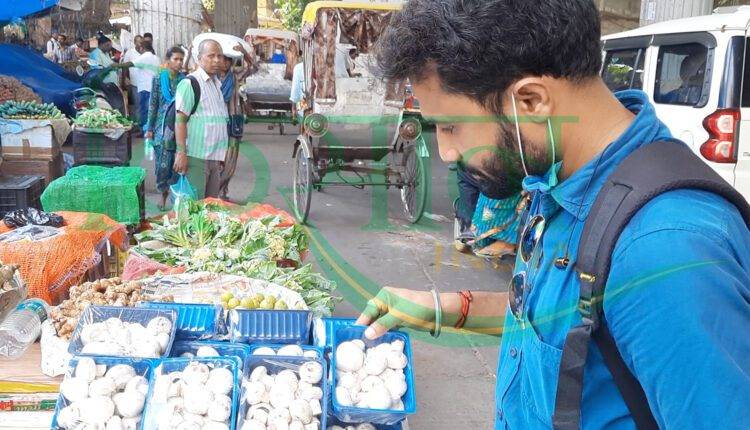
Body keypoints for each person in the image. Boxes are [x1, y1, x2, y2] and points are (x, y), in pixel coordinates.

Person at [357, 1, 750, 429]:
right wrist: (444, 307)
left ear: (532, 100)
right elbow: (565, 322)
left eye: (451, 126)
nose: (447, 151)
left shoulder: (664, 249)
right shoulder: (559, 176)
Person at [173, 39, 229, 199]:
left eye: (220, 56)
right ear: (199, 58)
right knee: (194, 207)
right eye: (211, 56)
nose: (217, 60)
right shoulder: (190, 83)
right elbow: (180, 120)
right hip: (196, 157)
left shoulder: (216, 84)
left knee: (209, 208)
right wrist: (181, 152)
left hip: (213, 157)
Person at [145, 46, 186, 209]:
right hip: (161, 129)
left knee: (177, 166)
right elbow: (153, 104)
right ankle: (163, 193)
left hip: (179, 128)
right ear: (168, 60)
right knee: (162, 166)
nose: (179, 62)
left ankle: (175, 197)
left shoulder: (185, 81)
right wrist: (149, 128)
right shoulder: (158, 79)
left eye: (181, 59)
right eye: (176, 59)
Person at [217, 44, 254, 200]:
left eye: (228, 60)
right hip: (216, 122)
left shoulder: (235, 76)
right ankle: (215, 189)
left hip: (232, 121)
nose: (224, 63)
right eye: (222, 59)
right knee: (217, 158)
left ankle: (223, 188)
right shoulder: (212, 76)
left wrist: (244, 52)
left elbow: (252, 66)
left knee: (230, 158)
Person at [132, 40, 161, 133]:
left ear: (142, 48)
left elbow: (129, 64)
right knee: (152, 110)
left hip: (145, 88)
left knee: (145, 111)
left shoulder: (144, 57)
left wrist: (115, 65)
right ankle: (152, 130)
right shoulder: (156, 58)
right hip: (154, 88)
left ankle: (146, 131)